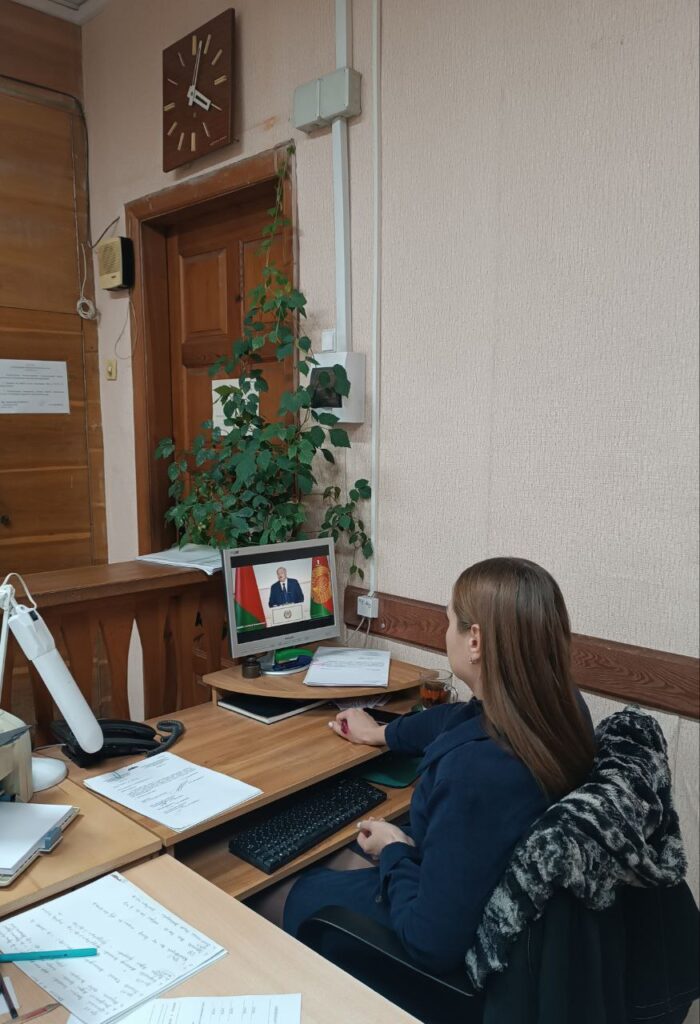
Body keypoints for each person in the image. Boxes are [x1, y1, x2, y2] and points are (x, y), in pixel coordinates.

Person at [248, 557, 595, 977]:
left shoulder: (474, 774)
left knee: (267, 894)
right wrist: (380, 733)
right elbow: (455, 719)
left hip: (437, 948)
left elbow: (432, 944)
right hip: (478, 893)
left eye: (449, 621)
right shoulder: (558, 709)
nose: (445, 633)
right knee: (337, 857)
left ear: (475, 641)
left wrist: (394, 848)